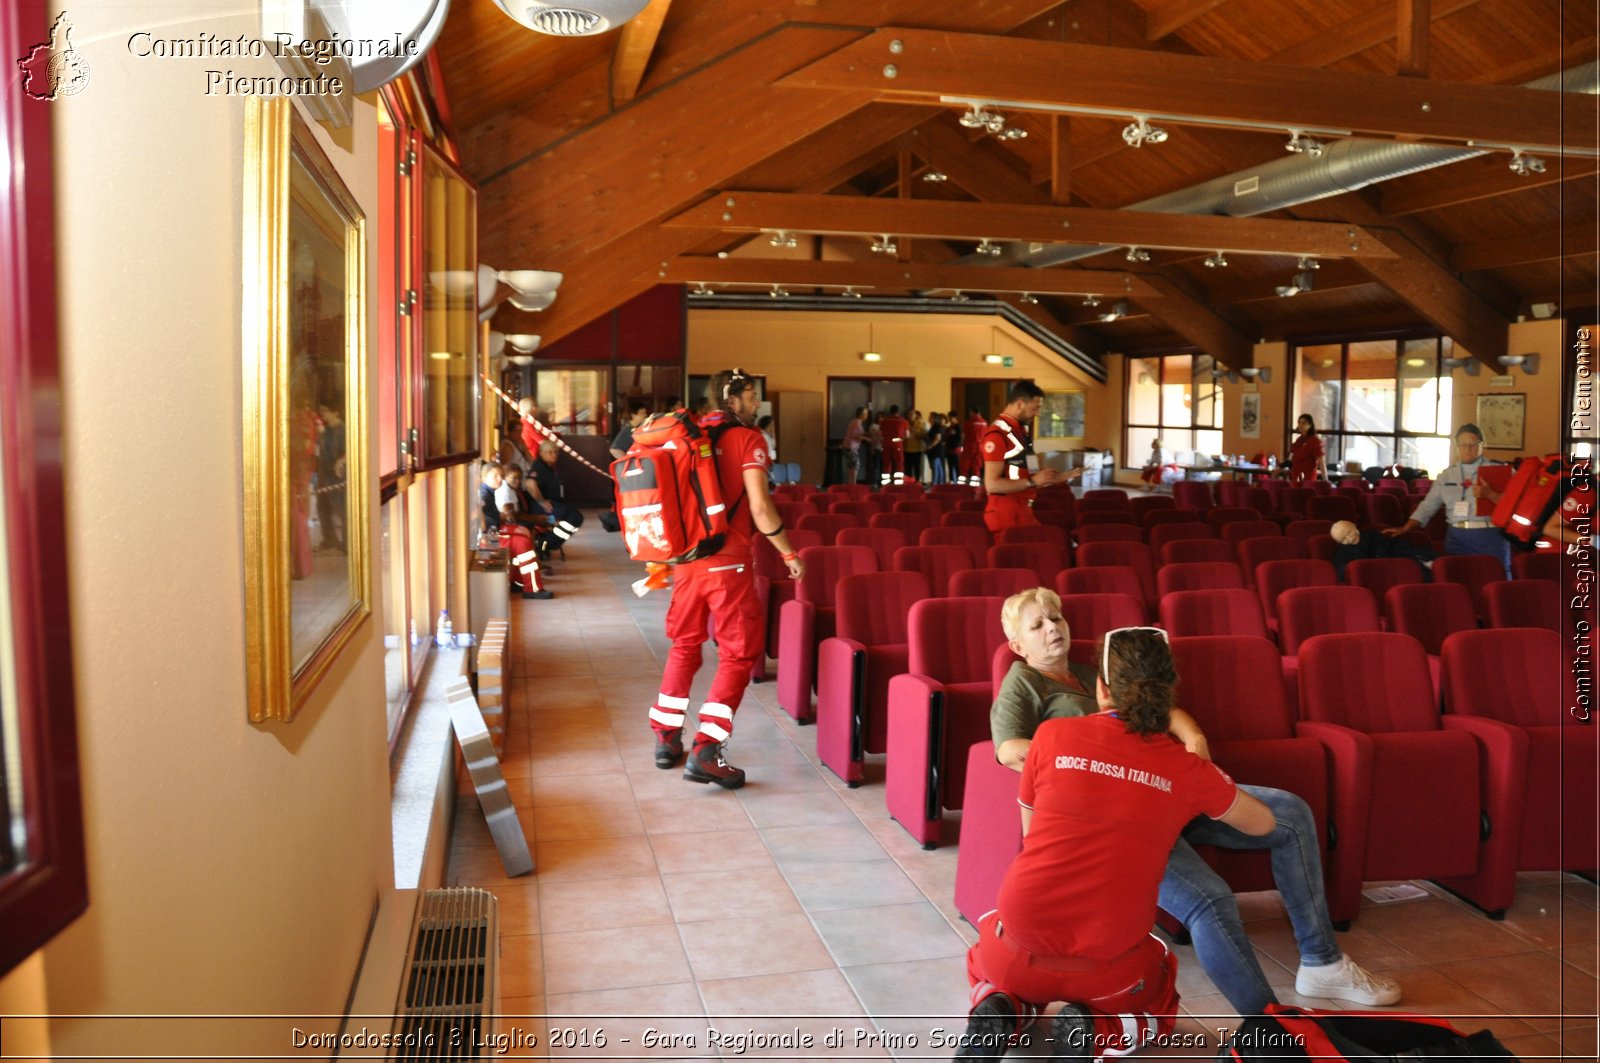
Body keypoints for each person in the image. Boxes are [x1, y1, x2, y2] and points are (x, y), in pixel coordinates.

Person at [984, 588, 1403, 1023]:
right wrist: (1099, 761)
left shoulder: (1093, 674)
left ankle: (1323, 962)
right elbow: (1009, 749)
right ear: (1018, 645)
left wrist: (1193, 739)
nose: (1053, 627)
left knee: (1292, 813)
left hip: (1169, 786)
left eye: (1057, 618)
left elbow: (1161, 710)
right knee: (1211, 897)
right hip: (1119, 819)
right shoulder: (1026, 685)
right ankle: (1269, 1026)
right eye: (1038, 625)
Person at [959, 626, 1276, 1062]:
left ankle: (1004, 1007)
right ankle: (1097, 1027)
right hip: (1108, 967)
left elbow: (1034, 837)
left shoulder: (1050, 738)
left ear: (1101, 688)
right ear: (1168, 695)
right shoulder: (1187, 769)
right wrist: (1201, 779)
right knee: (1160, 1000)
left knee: (987, 949)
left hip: (1017, 944)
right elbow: (1264, 824)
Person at [648, 369, 805, 789]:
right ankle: (706, 748)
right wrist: (788, 552)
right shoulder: (749, 439)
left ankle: (666, 738)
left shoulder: (690, 434)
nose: (757, 405)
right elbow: (760, 507)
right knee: (738, 653)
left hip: (686, 560)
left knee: (685, 644)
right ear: (731, 397)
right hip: (728, 562)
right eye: (752, 396)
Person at [1383, 423, 1510, 576]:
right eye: (1463, 445)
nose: (1468, 449)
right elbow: (1428, 506)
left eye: (1473, 444)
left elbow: (1515, 506)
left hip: (1488, 535)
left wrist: (1490, 494)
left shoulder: (1499, 470)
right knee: (1458, 581)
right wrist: (1405, 528)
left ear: (1482, 445)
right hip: (1456, 536)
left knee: (1494, 579)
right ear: (1457, 447)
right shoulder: (1447, 475)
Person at [980, 381, 1077, 534]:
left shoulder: (1020, 432)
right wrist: (1032, 481)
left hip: (1022, 508)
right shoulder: (997, 435)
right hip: (1007, 512)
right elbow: (992, 485)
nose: (1038, 414)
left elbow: (1026, 476)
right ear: (1019, 404)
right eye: (1035, 408)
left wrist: (1053, 478)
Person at [1329, 519, 1436, 580]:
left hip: (1398, 571)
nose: (1350, 538)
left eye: (1349, 533)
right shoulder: (1342, 555)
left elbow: (1399, 548)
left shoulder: (1375, 536)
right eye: (1343, 539)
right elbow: (1347, 574)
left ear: (1354, 527)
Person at [527, 440, 584, 552]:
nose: (554, 455)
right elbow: (530, 483)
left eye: (556, 452)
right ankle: (546, 544)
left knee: (573, 515)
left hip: (554, 503)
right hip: (542, 508)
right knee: (575, 517)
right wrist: (542, 502)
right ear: (542, 453)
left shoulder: (548, 466)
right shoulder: (539, 466)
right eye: (550, 452)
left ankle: (548, 542)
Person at [314, 399, 346, 552]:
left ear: (335, 412)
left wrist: (341, 460)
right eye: (322, 411)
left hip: (337, 476)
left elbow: (351, 451)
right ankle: (329, 540)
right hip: (323, 473)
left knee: (341, 509)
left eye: (325, 411)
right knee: (323, 508)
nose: (323, 415)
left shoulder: (345, 431)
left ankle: (347, 544)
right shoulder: (325, 432)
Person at [1288, 414, 1325, 484]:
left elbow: (1321, 461)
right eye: (1299, 423)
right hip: (1295, 476)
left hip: (1308, 478)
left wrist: (1325, 479)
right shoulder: (1298, 440)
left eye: (1304, 423)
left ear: (1310, 425)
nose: (1300, 425)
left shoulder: (1315, 441)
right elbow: (1291, 458)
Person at [878, 404, 909, 486]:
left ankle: (885, 484)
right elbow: (907, 435)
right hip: (898, 444)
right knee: (899, 463)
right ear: (898, 412)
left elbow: (880, 434)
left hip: (886, 444)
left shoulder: (884, 421)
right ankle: (898, 483)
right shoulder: (903, 421)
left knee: (886, 463)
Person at [960, 407, 989, 486]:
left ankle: (962, 484)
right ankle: (975, 485)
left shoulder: (969, 422)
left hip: (969, 445)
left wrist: (961, 445)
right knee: (977, 465)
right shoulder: (984, 422)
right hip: (980, 446)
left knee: (965, 464)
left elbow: (964, 435)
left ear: (972, 412)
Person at [841, 406, 868, 485]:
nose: (867, 415)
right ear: (861, 414)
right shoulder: (857, 423)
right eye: (865, 413)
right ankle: (853, 483)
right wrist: (866, 438)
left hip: (848, 446)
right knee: (855, 465)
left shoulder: (855, 421)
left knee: (851, 466)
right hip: (851, 447)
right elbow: (855, 435)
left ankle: (850, 483)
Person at [906, 409, 927, 484]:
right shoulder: (906, 423)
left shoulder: (920, 424)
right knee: (908, 467)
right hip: (907, 448)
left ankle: (917, 481)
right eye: (909, 414)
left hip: (917, 449)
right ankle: (908, 481)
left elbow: (924, 434)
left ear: (916, 415)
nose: (911, 416)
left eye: (912, 414)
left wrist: (915, 433)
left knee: (917, 467)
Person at [925, 412, 947, 485]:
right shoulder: (934, 426)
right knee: (936, 467)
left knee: (936, 467)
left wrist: (930, 446)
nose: (929, 418)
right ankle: (937, 482)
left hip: (936, 450)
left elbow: (937, 438)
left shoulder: (936, 427)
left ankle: (935, 483)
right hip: (935, 450)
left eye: (931, 417)